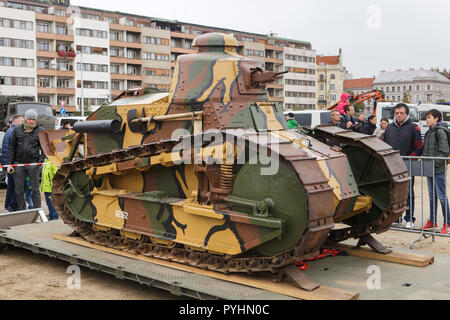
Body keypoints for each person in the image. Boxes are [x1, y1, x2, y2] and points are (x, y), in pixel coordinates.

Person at [383, 103, 423, 229]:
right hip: (391, 166)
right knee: (393, 193)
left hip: (407, 165)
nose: (399, 115)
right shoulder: (389, 128)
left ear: (406, 114)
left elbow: (418, 148)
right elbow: (384, 145)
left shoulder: (414, 128)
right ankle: (396, 217)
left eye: (401, 113)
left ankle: (409, 218)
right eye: (396, 113)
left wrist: (408, 159)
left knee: (408, 193)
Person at [7, 109, 45, 211]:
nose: (31, 121)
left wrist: (40, 162)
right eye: (29, 119)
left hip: (33, 164)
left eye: (33, 119)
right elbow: (11, 147)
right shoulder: (17, 130)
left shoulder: (40, 130)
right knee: (19, 190)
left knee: (35, 190)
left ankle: (37, 211)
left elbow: (45, 148)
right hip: (18, 164)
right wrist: (9, 164)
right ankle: (22, 210)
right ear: (26, 119)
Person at [422, 109, 450, 234]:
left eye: (429, 117)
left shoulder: (440, 132)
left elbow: (444, 151)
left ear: (436, 118)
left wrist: (435, 165)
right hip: (429, 169)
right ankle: (433, 221)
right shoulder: (429, 132)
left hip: (438, 170)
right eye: (426, 117)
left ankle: (447, 223)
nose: (427, 120)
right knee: (432, 196)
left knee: (442, 197)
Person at [2, 115, 24, 212]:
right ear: (15, 121)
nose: (23, 123)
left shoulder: (9, 131)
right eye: (21, 121)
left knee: (11, 187)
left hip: (9, 164)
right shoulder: (14, 132)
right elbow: (13, 150)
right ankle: (12, 206)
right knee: (16, 186)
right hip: (14, 164)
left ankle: (8, 205)